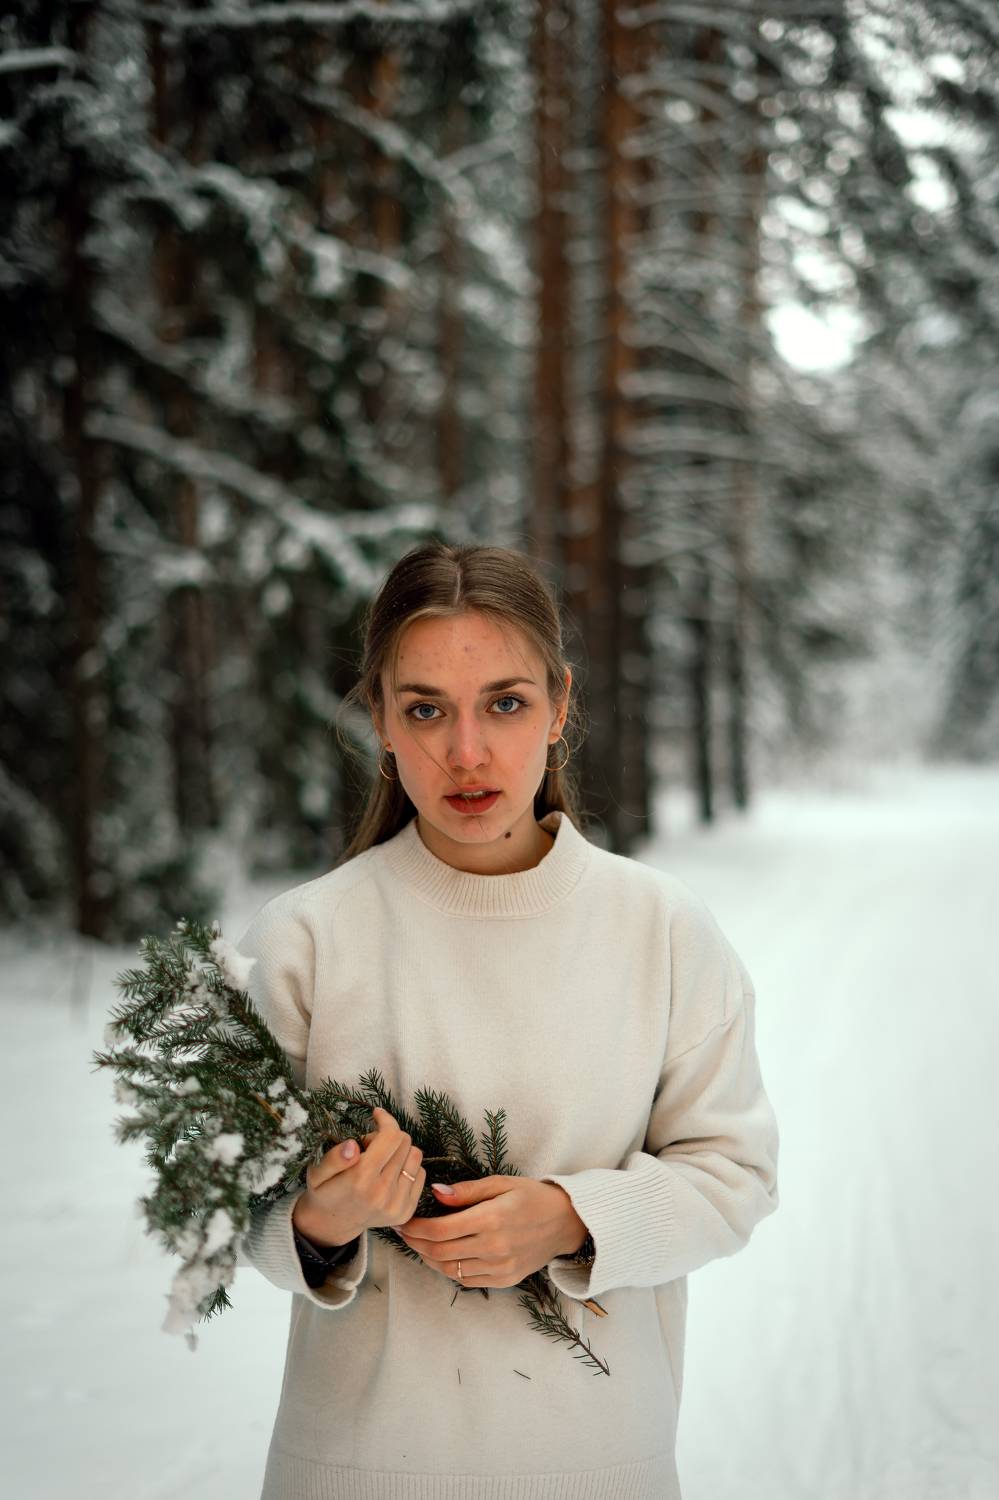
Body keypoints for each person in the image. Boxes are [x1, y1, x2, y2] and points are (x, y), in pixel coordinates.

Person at [236, 539, 779, 1500]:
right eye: (424, 710)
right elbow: (232, 1205)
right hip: (355, 1471)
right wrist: (324, 1218)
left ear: (559, 705)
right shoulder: (304, 939)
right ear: (379, 718)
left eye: (505, 703)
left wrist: (574, 1217)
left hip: (596, 1467)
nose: (466, 752)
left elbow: (733, 1176)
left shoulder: (659, 929)